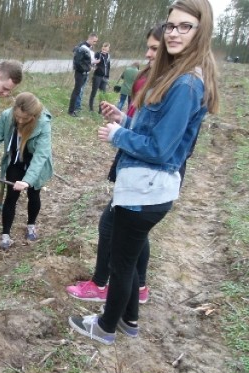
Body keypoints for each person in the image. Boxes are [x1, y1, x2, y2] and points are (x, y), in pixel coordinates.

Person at [68, 0, 219, 345]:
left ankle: (105, 327)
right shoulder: (179, 76)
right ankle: (129, 320)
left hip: (146, 189)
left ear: (201, 31)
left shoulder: (186, 85)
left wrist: (119, 135)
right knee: (131, 260)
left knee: (122, 265)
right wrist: (126, 120)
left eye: (185, 26)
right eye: (171, 25)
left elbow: (161, 149)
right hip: (147, 187)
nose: (175, 33)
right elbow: (158, 132)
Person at [66, 25, 164, 305]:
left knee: (112, 227)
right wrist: (123, 117)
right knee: (134, 231)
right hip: (138, 168)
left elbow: (157, 143)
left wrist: (119, 133)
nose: (147, 54)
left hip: (145, 173)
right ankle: (139, 288)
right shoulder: (154, 78)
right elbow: (145, 126)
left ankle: (103, 288)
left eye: (155, 48)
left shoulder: (174, 86)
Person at [0, 92, 53, 249]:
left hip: (34, 163)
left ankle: (31, 224)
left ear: (33, 116)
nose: (19, 121)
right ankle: (5, 235)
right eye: (17, 117)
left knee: (33, 193)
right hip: (15, 161)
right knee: (10, 196)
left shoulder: (43, 124)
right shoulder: (7, 116)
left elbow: (41, 156)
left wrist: (27, 181)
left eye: (24, 119)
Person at [68, 33, 99, 117]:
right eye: (94, 41)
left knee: (79, 92)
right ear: (90, 39)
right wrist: (86, 68)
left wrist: (90, 66)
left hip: (85, 73)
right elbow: (78, 62)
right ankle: (71, 111)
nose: (95, 43)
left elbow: (86, 61)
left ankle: (75, 108)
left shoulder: (89, 48)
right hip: (80, 73)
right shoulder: (82, 48)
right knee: (76, 91)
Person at [89, 42, 111, 113]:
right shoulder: (98, 54)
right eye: (104, 48)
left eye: (106, 48)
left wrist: (107, 76)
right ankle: (91, 108)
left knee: (102, 95)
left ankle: (100, 110)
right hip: (97, 76)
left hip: (104, 78)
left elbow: (108, 67)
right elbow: (93, 63)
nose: (105, 49)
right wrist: (94, 66)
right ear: (102, 48)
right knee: (94, 92)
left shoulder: (108, 56)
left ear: (108, 49)